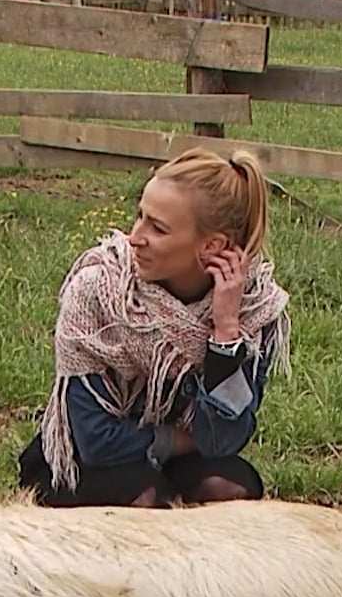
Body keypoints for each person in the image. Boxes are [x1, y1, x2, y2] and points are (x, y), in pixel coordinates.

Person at [18, 147, 292, 508]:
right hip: (81, 465)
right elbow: (95, 440)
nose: (135, 237)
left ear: (213, 246)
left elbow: (223, 440)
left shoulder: (254, 309)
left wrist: (225, 334)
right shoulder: (97, 292)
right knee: (147, 498)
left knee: (231, 488)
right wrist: (183, 439)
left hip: (169, 460)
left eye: (157, 228)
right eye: (140, 216)